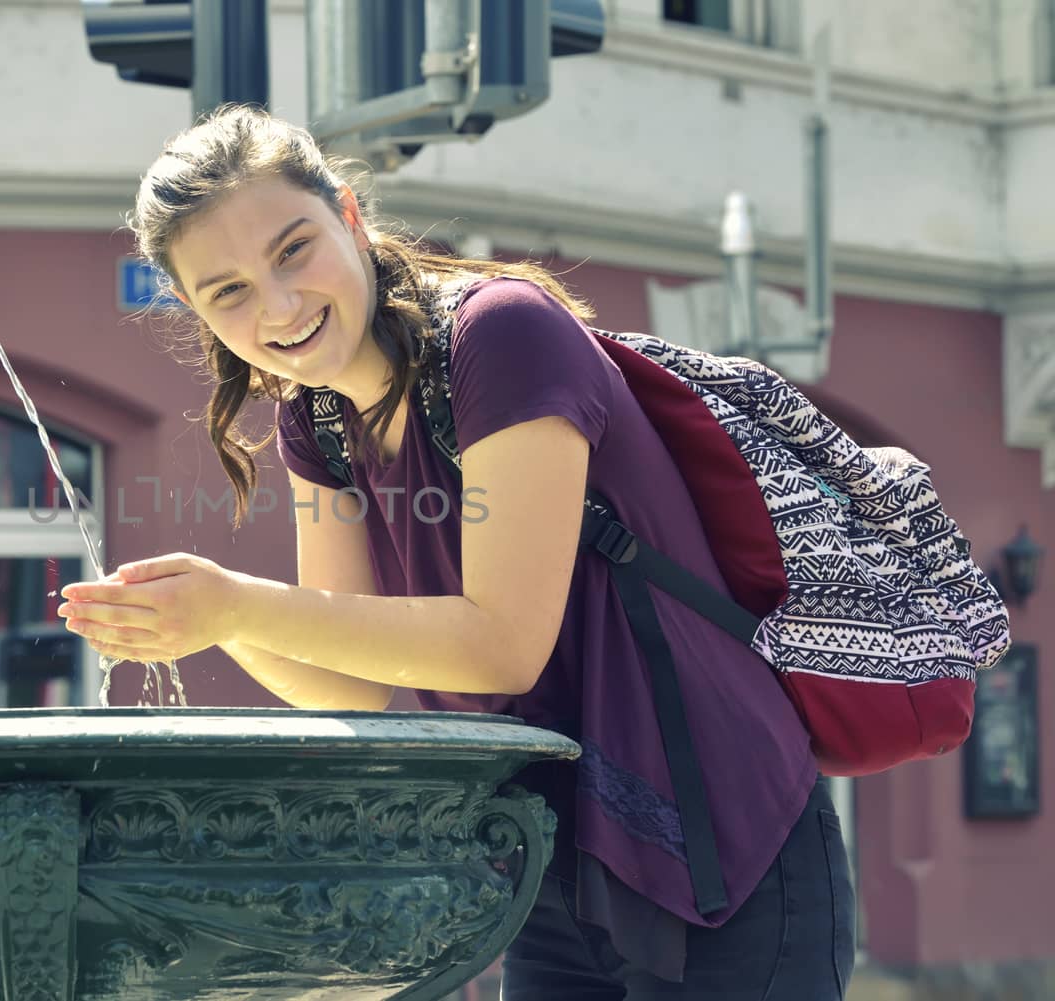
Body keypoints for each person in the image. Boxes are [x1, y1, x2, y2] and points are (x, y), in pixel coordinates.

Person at [57, 105, 856, 1000]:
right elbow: (347, 683)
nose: (278, 306)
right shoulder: (314, 415)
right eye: (228, 291)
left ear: (350, 217)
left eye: (293, 249)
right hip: (549, 859)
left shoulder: (501, 336)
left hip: (720, 838)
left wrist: (236, 604)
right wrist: (205, 625)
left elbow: (502, 641)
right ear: (196, 311)